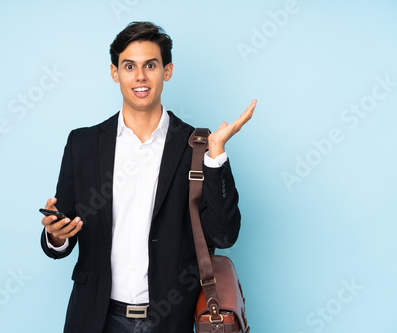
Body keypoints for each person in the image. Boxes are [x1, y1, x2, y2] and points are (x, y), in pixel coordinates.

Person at [40, 21, 256, 333]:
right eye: (129, 66)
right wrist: (58, 235)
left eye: (150, 65)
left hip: (171, 319)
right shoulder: (83, 144)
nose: (140, 76)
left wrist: (217, 156)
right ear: (115, 73)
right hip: (96, 318)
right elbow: (64, 230)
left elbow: (224, 236)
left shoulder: (197, 146)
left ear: (167, 71)